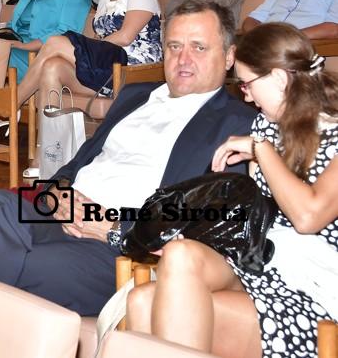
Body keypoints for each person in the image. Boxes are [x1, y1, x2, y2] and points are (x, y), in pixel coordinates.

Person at [0, 0, 256, 316]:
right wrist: (59, 192)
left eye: (199, 47)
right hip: (64, 214)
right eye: (174, 46)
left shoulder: (238, 124)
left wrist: (115, 227)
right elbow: (79, 162)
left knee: (28, 265)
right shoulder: (135, 96)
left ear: (229, 57)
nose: (183, 59)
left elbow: (217, 220)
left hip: (124, 247)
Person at [128, 23, 338, 357]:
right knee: (160, 276)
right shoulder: (266, 124)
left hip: (316, 287)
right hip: (265, 263)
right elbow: (258, 216)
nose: (246, 95)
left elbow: (308, 217)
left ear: (279, 79)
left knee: (150, 303)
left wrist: (261, 150)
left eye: (247, 84)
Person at [16, 0, 161, 105]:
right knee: (52, 66)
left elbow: (125, 37)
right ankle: (50, 122)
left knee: (55, 42)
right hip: (105, 65)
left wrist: (91, 47)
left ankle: (13, 103)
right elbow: (99, 34)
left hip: (131, 69)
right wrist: (93, 46)